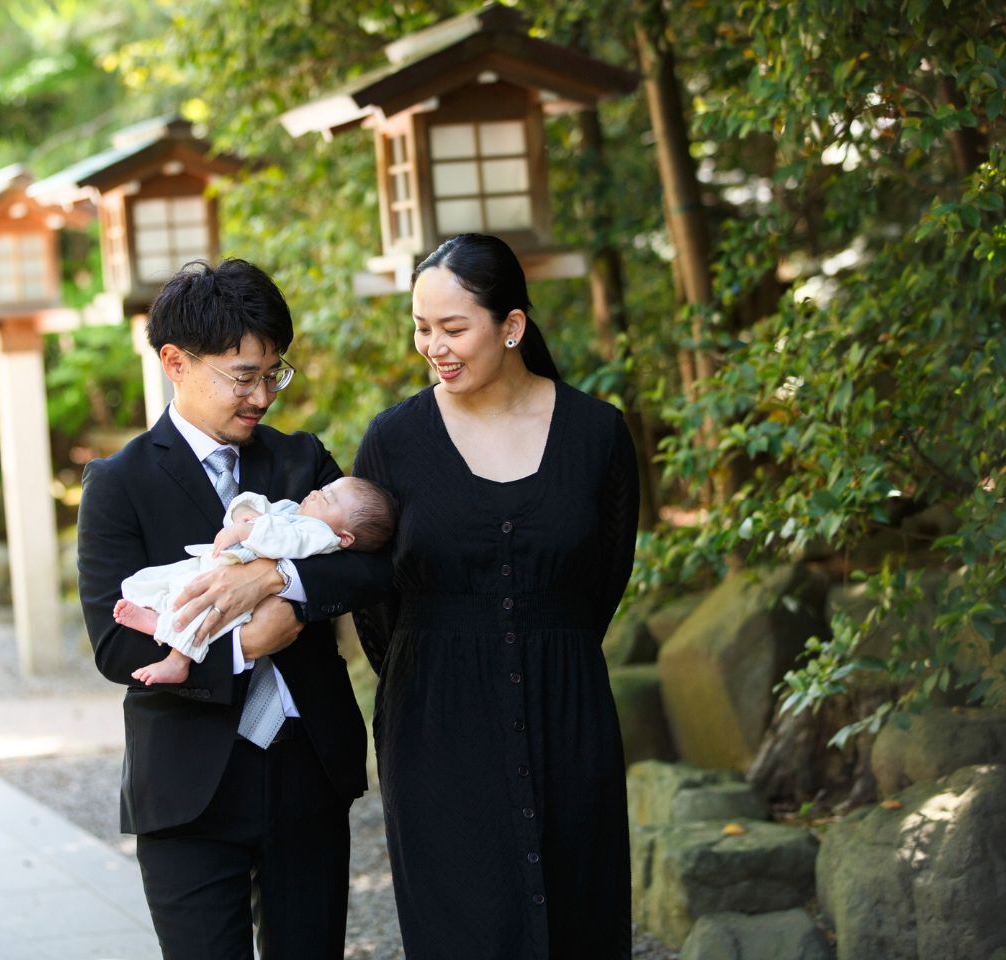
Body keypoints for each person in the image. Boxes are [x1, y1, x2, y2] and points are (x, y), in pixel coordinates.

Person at [76, 258, 392, 959]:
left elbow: (374, 566)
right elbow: (116, 645)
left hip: (308, 773)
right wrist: (248, 643)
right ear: (174, 363)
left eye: (273, 374)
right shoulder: (117, 485)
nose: (261, 397)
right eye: (242, 376)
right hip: (189, 790)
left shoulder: (302, 462)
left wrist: (280, 583)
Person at [352, 233, 640, 959]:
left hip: (567, 714)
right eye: (422, 328)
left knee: (579, 916)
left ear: (511, 327)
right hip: (436, 729)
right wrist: (437, 673)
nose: (433, 347)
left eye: (453, 328)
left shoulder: (598, 434)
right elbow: (376, 601)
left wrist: (547, 648)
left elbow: (602, 580)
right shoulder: (393, 441)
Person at [115, 477, 398, 685]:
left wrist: (249, 533)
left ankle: (176, 655)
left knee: (203, 610)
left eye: (327, 498)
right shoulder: (295, 511)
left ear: (344, 537)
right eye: (323, 489)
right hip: (218, 566)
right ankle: (160, 612)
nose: (314, 492)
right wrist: (244, 511)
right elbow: (262, 508)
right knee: (177, 587)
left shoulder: (321, 535)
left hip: (243, 598)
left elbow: (284, 540)